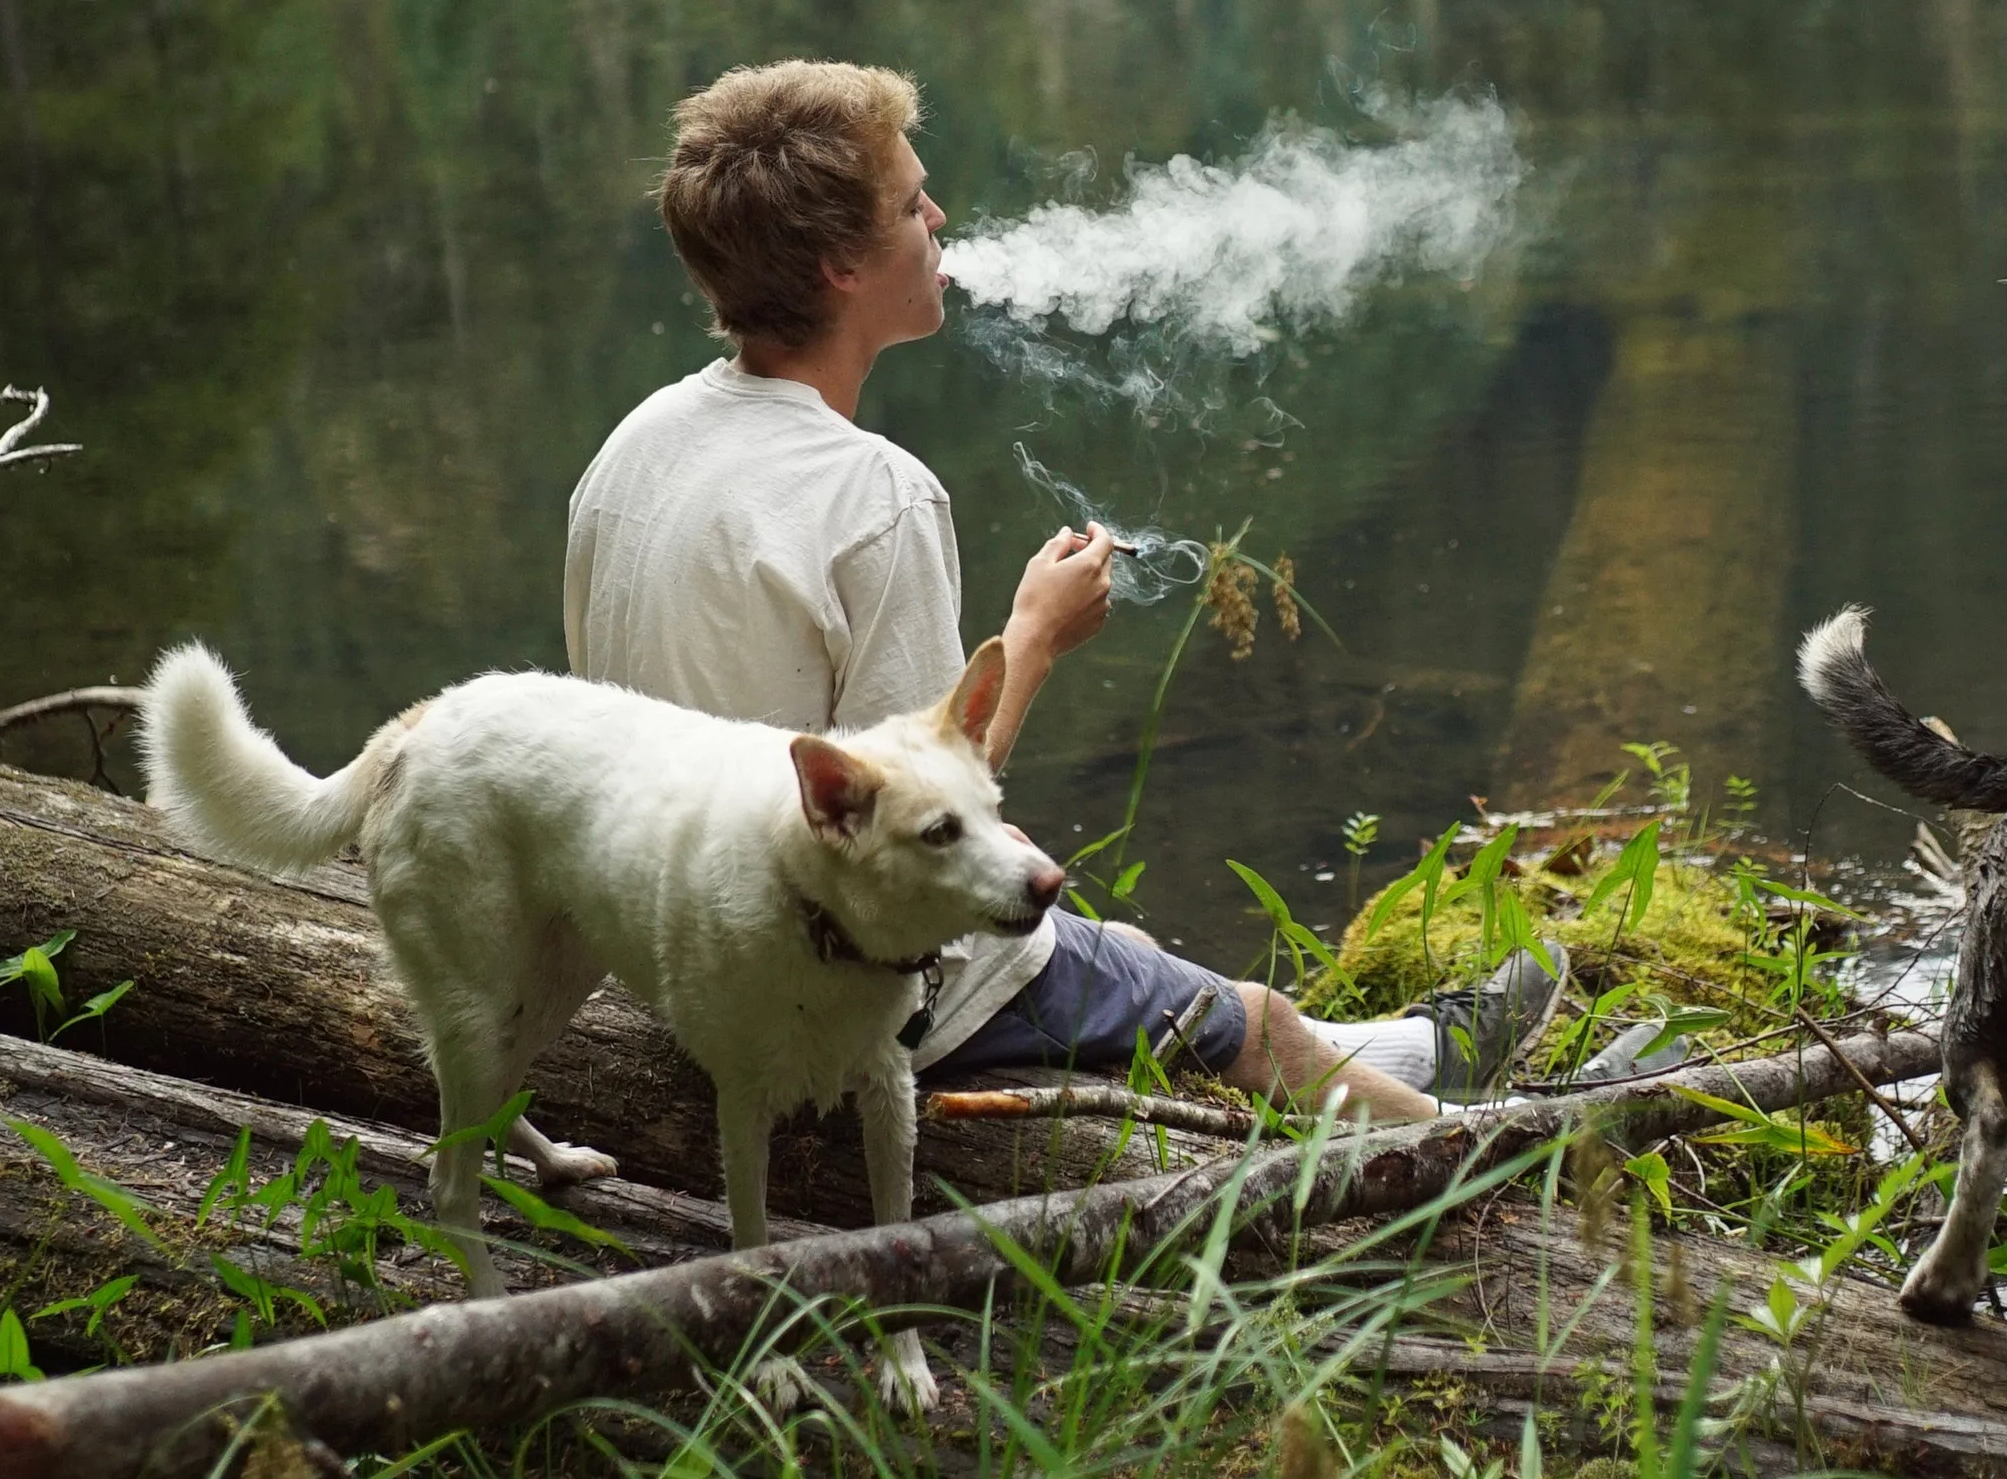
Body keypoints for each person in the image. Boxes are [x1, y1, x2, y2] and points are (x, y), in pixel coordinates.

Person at [564, 59, 1560, 1121]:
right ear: (839, 267)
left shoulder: (638, 443)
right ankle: (1485, 1154)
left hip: (678, 965)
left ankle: (1405, 1052)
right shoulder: (874, 494)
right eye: (911, 203)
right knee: (1248, 1021)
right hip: (824, 994)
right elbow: (912, 837)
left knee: (1118, 953)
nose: (938, 215)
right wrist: (1032, 638)